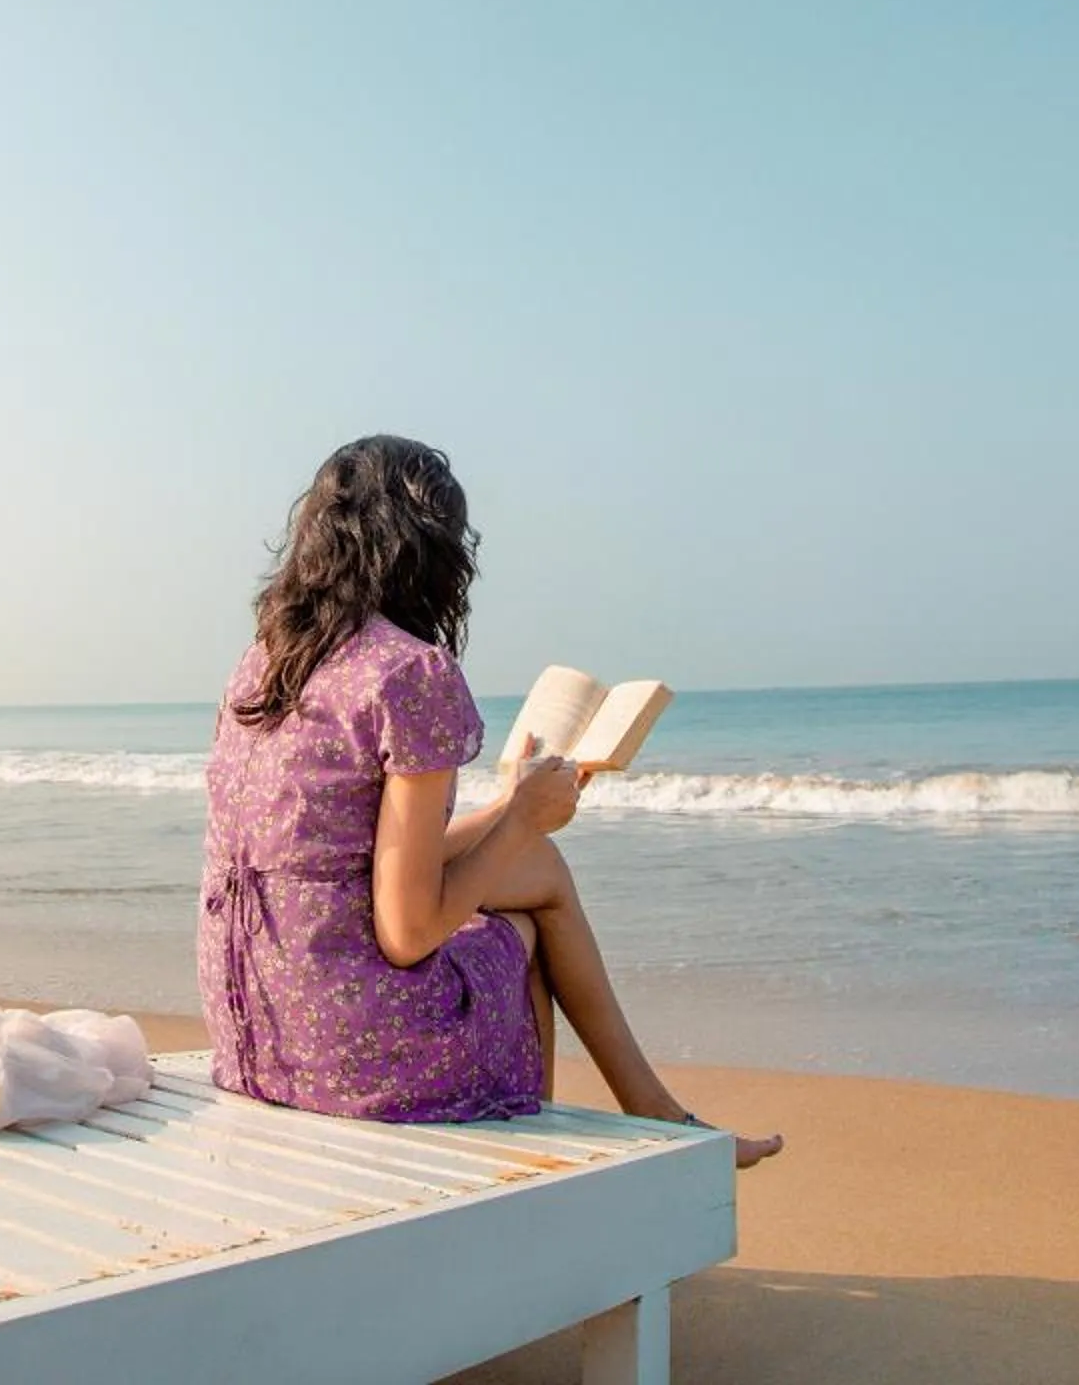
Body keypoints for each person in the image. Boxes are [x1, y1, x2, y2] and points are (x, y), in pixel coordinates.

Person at [197, 434, 781, 1167]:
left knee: (541, 867)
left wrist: (511, 810)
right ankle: (563, 1157)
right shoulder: (408, 673)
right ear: (428, 547)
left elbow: (336, 863)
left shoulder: (262, 664)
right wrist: (523, 817)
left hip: (256, 1035)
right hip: (352, 1055)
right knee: (520, 931)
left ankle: (652, 1112)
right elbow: (407, 931)